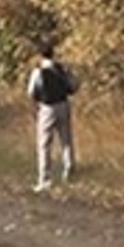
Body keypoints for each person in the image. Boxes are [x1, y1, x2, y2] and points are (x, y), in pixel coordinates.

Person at [27, 42, 79, 193]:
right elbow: (74, 85)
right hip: (63, 105)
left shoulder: (38, 72)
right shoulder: (62, 69)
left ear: (40, 55)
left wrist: (35, 106)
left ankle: (44, 180)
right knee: (66, 140)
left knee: (44, 144)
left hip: (47, 108)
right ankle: (69, 171)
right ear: (52, 53)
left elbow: (31, 92)